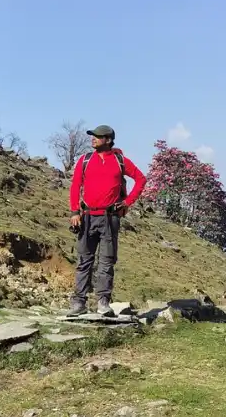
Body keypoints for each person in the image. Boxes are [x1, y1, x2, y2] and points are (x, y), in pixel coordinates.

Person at [67, 124, 146, 316]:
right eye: (92, 136)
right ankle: (79, 303)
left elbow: (141, 179)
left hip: (110, 219)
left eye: (98, 136)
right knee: (84, 260)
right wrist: (74, 212)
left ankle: (103, 302)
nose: (93, 139)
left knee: (106, 262)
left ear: (108, 140)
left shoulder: (120, 161)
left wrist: (127, 202)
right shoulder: (85, 160)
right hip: (86, 217)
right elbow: (76, 185)